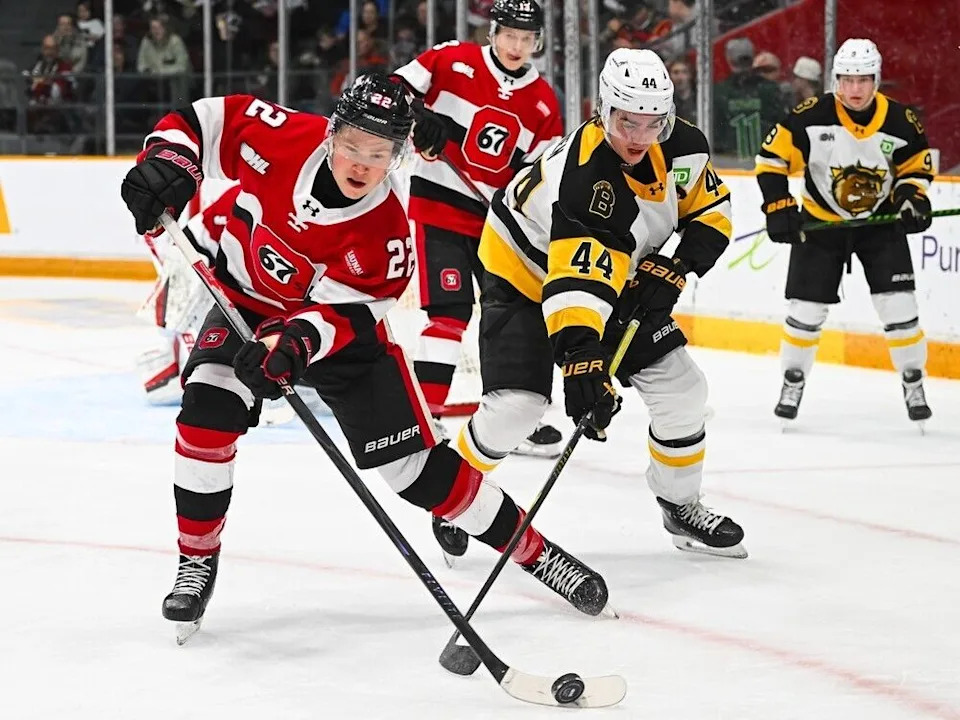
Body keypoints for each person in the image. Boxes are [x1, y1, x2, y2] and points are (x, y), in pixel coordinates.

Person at [119, 74, 609, 642]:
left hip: (341, 343)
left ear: (398, 156)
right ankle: (196, 562)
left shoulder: (387, 234)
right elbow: (200, 121)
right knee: (205, 416)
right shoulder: (279, 135)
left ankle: (534, 551)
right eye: (352, 143)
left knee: (415, 473)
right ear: (331, 133)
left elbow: (347, 318)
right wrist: (170, 163)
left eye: (379, 154)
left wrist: (295, 345)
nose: (360, 163)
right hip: (243, 307)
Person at [441, 47, 747, 563]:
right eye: (625, 121)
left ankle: (680, 505)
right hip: (523, 273)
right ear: (603, 110)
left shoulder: (686, 148)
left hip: (604, 271)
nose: (636, 136)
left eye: (652, 123)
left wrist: (677, 267)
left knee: (682, 389)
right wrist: (583, 363)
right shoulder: (588, 176)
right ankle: (451, 494)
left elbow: (712, 212)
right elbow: (576, 284)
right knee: (518, 408)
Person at [391, 0, 566, 470]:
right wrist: (415, 117)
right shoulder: (452, 59)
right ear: (493, 32)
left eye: (525, 39)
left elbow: (542, 176)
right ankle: (425, 419)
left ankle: (512, 420)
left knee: (508, 320)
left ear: (538, 43)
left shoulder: (545, 103)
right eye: (509, 35)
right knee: (449, 315)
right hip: (440, 210)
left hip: (498, 227)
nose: (516, 46)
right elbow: (390, 89)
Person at [755, 38, 934, 425]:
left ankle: (913, 378)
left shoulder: (901, 120)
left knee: (899, 307)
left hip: (878, 225)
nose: (855, 89)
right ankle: (793, 378)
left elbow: (916, 167)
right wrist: (778, 204)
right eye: (848, 80)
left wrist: (911, 198)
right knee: (805, 310)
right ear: (836, 79)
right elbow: (770, 160)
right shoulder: (809, 116)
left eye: (864, 80)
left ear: (877, 80)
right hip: (822, 223)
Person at [712, 37, 782, 159]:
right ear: (753, 58)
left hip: (730, 163)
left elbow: (716, 137)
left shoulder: (719, 92)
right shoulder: (770, 89)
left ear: (728, 59)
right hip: (766, 162)